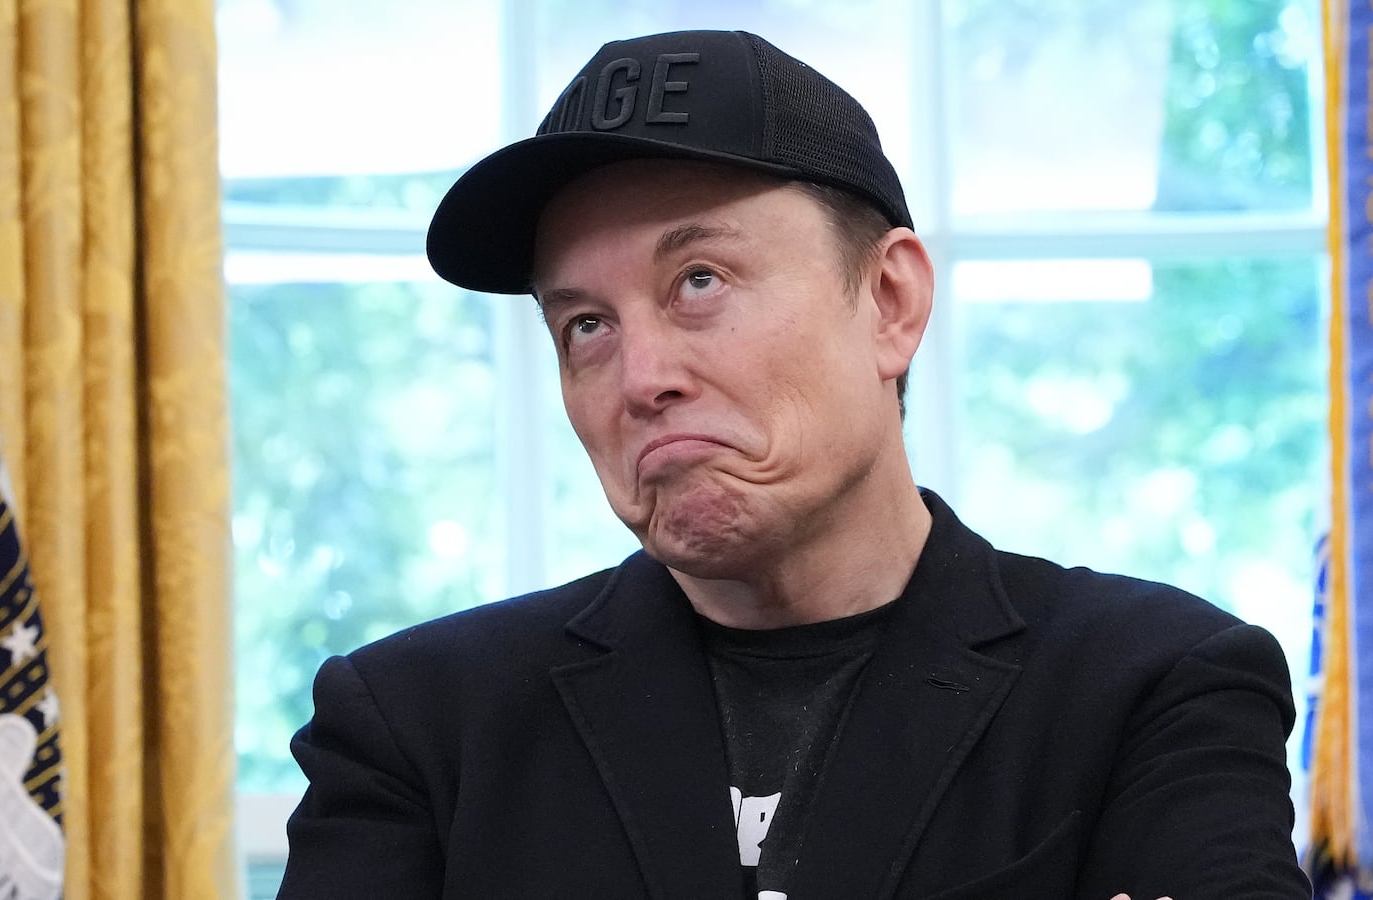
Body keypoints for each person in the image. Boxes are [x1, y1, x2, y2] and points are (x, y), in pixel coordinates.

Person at [277, 29, 1311, 900]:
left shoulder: (1152, 688)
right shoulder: (416, 728)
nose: (640, 377)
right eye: (585, 323)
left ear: (890, 303)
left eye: (698, 280)